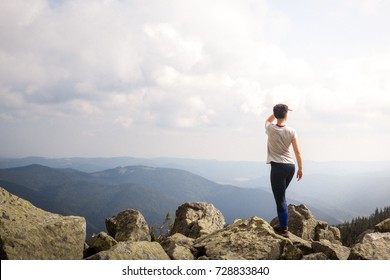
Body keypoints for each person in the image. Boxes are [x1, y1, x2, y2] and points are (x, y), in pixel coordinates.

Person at [265, 104, 303, 238]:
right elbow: (297, 151)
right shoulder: (292, 131)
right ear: (286, 114)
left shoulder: (270, 128)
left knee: (280, 199)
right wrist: (300, 168)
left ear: (275, 114)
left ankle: (284, 229)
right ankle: (282, 223)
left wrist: (276, 112)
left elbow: (268, 120)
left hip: (277, 168)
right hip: (290, 167)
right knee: (281, 196)